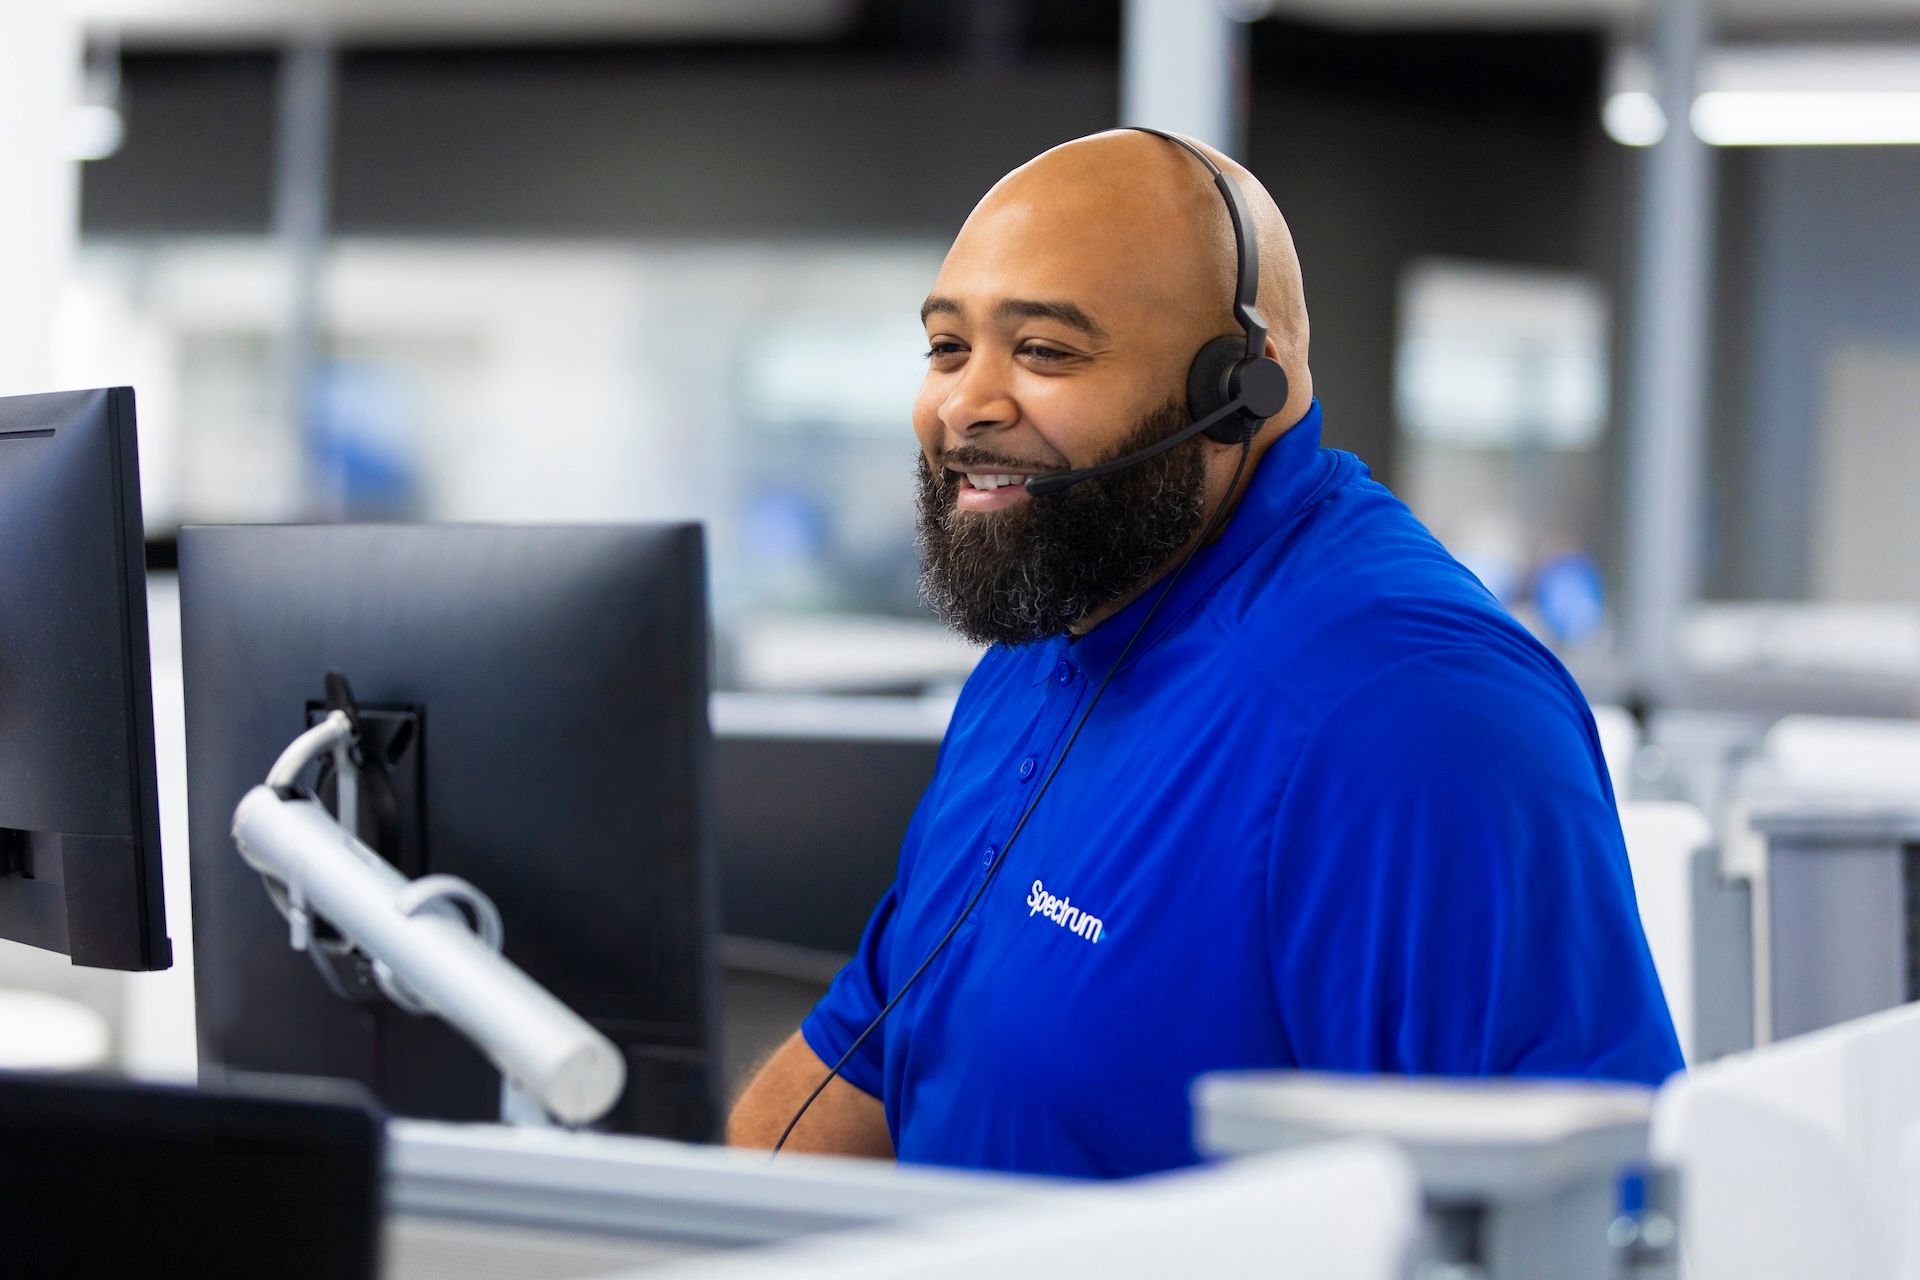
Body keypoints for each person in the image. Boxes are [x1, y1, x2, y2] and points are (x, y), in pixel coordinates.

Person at [726, 129, 1682, 1179]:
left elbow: (1568, 1211)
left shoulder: (1408, 711)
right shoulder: (1051, 622)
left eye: (1044, 349)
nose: (965, 402)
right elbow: (861, 1052)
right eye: (948, 347)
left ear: (1240, 387)